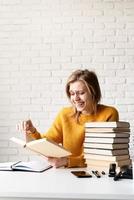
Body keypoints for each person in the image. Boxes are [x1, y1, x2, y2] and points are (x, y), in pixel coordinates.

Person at [18, 69, 119, 168]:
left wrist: (68, 161)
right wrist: (32, 130)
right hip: (68, 174)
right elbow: (46, 142)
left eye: (81, 93)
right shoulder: (65, 114)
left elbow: (104, 156)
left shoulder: (109, 114)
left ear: (93, 92)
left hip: (99, 173)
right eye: (72, 93)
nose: (75, 98)